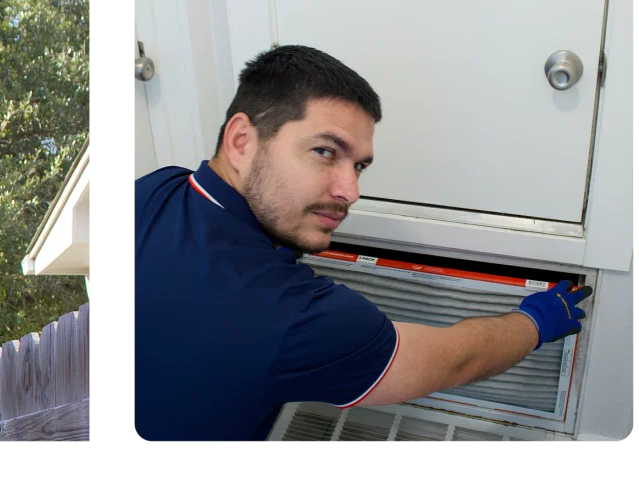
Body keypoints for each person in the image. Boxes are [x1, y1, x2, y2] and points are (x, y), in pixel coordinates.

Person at [131, 44, 591, 443]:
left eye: (359, 166)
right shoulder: (293, 315)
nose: (350, 191)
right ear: (241, 140)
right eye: (325, 152)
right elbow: (455, 360)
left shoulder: (155, 190)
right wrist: (537, 319)